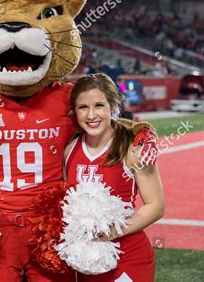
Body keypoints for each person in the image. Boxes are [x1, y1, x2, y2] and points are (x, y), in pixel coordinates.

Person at [64, 74, 165, 282]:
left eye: (99, 105)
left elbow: (156, 206)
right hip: (85, 259)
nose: (91, 115)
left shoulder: (133, 148)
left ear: (112, 106)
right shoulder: (69, 149)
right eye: (83, 107)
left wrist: (113, 231)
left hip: (128, 256)